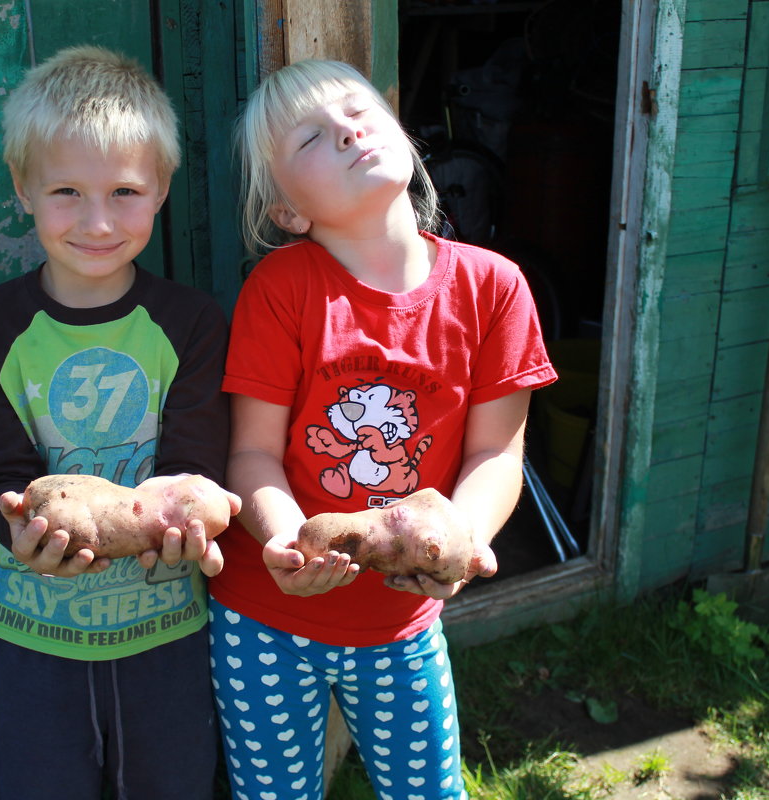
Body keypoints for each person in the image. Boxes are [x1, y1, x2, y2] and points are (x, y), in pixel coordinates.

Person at [208, 59, 558, 800]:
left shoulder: (494, 288)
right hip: (263, 617)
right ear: (288, 213)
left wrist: (462, 537)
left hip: (400, 621)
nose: (345, 130)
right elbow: (252, 453)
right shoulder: (280, 290)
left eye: (356, 109)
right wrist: (283, 539)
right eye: (311, 137)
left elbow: (498, 452)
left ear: (402, 132)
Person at [0, 45, 235, 800]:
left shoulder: (194, 324)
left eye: (126, 192)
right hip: (31, 634)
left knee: (174, 786)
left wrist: (193, 507)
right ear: (23, 187)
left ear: (162, 188)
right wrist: (20, 527)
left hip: (167, 633)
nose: (98, 221)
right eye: (67, 191)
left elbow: (198, 460)